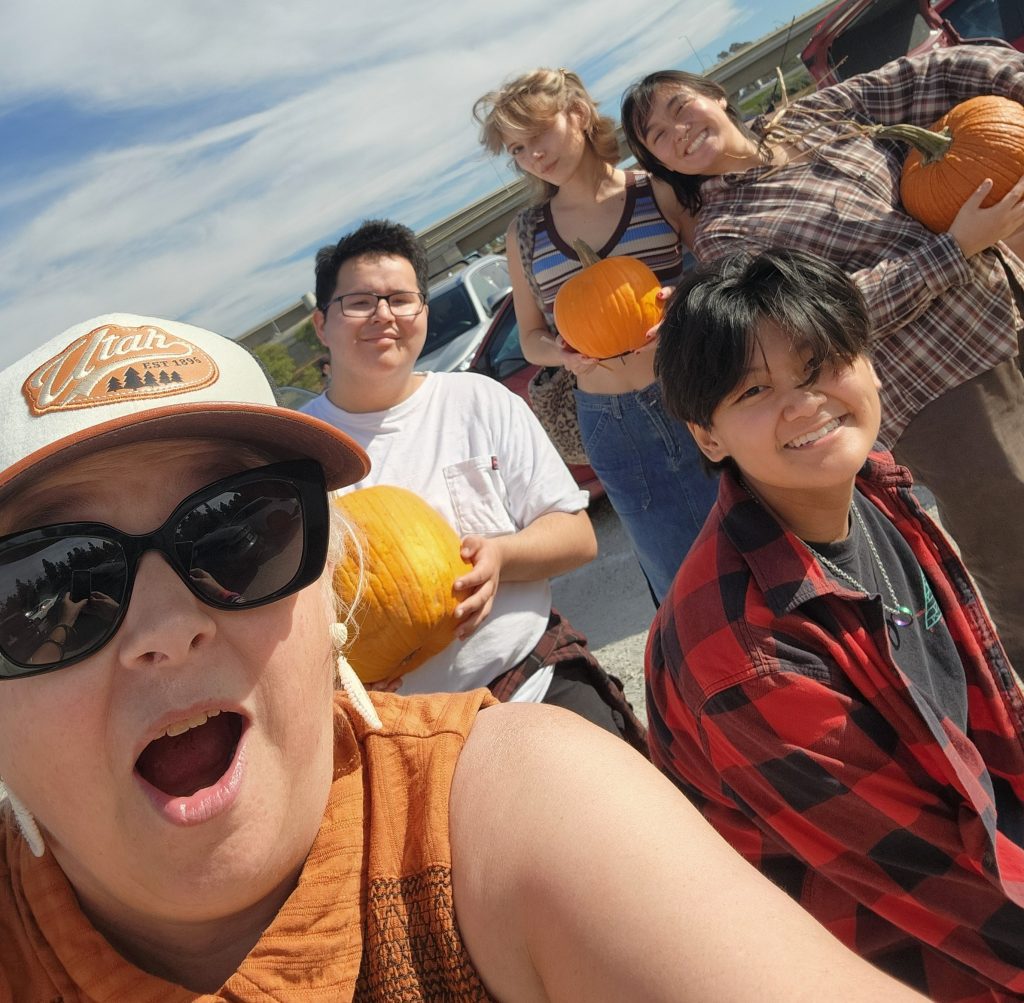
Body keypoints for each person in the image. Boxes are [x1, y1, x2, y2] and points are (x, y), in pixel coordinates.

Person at [0, 312, 927, 1001]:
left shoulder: (514, 810)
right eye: (44, 589)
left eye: (241, 530)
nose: (167, 624)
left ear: (329, 588)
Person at [646, 248, 1024, 1002]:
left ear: (870, 365)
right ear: (708, 435)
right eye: (754, 389)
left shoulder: (877, 486)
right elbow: (935, 887)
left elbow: (990, 706)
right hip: (891, 956)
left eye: (820, 364)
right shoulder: (744, 654)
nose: (804, 402)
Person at [621, 44, 1024, 670]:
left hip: (1008, 295)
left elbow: (930, 73)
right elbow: (830, 315)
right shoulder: (729, 234)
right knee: (1012, 530)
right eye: (657, 135)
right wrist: (955, 246)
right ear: (658, 162)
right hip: (944, 374)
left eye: (681, 107)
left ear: (717, 96)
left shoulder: (817, 117)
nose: (678, 130)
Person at [303, 219, 645, 750]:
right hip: (409, 735)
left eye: (401, 299)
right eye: (360, 303)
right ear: (322, 324)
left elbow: (576, 535)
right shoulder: (298, 453)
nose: (384, 316)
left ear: (422, 311)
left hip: (537, 683)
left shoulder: (478, 401)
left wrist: (500, 558)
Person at [473, 67, 718, 604]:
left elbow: (719, 269)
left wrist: (688, 299)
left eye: (538, 135)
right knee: (680, 581)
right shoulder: (526, 234)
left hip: (697, 392)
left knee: (761, 537)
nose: (533, 156)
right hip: (612, 422)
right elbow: (532, 337)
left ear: (578, 115)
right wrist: (562, 353)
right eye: (517, 149)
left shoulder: (655, 190)